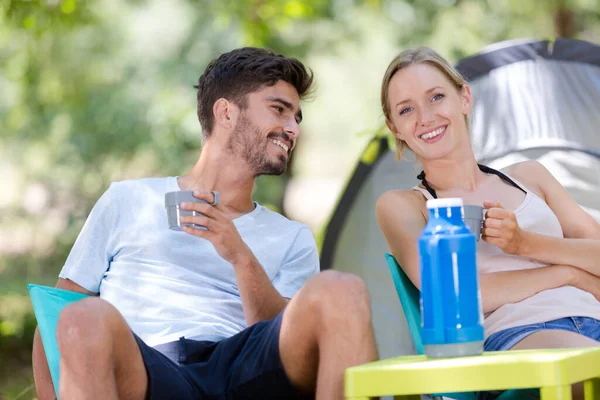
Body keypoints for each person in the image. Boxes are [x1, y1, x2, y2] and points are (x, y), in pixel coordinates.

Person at [32, 47, 378, 400]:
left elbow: (286, 344)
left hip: (242, 370)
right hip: (148, 368)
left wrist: (239, 255)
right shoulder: (128, 201)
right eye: (279, 110)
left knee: (342, 289)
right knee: (84, 317)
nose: (292, 129)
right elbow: (56, 317)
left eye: (297, 119)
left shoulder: (292, 237)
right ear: (226, 112)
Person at [376, 47, 600, 364]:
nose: (425, 117)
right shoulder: (406, 206)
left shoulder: (531, 176)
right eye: (406, 110)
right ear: (394, 128)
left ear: (464, 98)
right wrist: (568, 275)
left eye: (436, 97)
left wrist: (526, 243)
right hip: (520, 335)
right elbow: (450, 297)